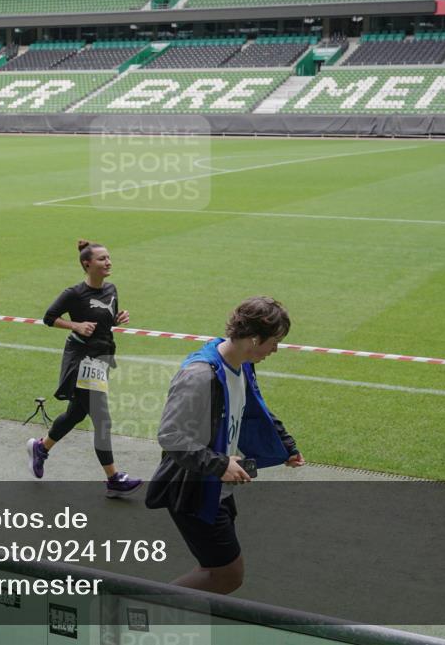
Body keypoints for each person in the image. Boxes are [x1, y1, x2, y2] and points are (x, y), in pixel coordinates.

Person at [145, 296, 305, 594]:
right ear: (254, 339)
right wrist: (220, 464)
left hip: (217, 485)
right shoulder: (199, 375)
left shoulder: (241, 363)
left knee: (213, 567)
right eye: (274, 341)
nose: (276, 349)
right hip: (194, 489)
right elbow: (170, 436)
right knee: (227, 575)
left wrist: (285, 444)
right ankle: (140, 611)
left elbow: (254, 406)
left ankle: (171, 619)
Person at [26, 240, 143, 498]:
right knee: (102, 419)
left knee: (76, 413)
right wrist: (75, 326)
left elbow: (104, 322)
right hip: (82, 360)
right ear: (87, 264)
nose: (108, 262)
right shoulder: (74, 294)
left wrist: (115, 319)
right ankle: (113, 479)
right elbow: (49, 317)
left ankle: (41, 448)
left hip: (101, 358)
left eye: (109, 257)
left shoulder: (111, 289)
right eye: (102, 259)